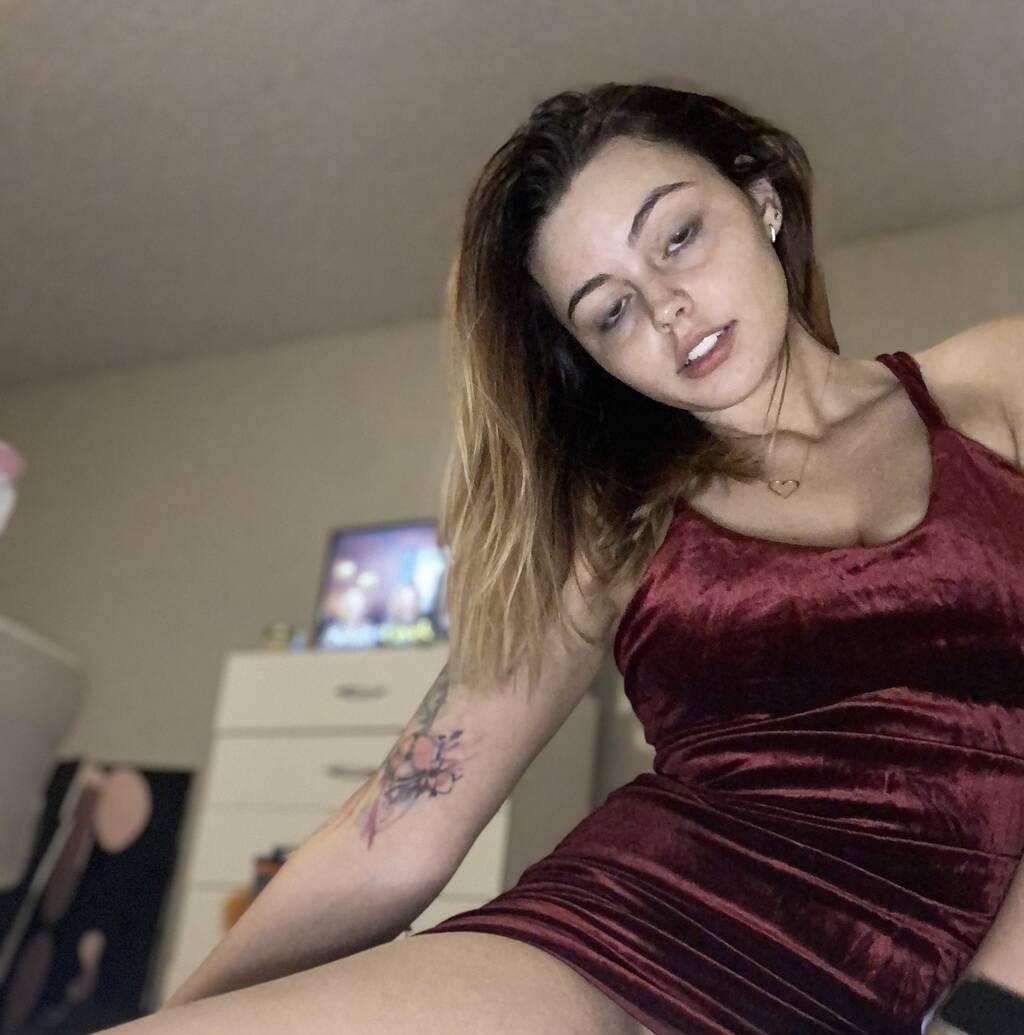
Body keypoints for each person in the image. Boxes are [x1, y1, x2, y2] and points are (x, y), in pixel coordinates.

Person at [99, 83, 1023, 1035]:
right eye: (610, 311)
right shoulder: (614, 525)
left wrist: (990, 1005)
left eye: (677, 237)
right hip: (617, 943)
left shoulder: (998, 382)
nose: (665, 308)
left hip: (914, 979)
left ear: (761, 201)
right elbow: (399, 830)